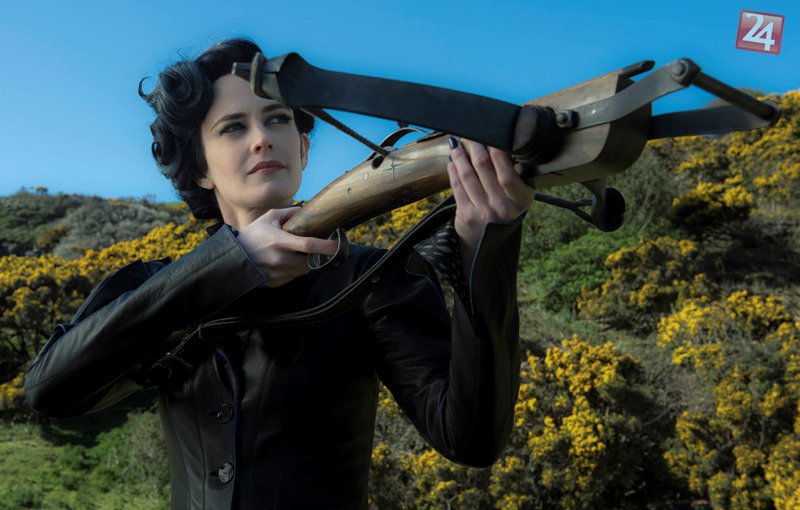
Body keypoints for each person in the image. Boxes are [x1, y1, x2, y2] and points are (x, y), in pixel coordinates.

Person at [24, 38, 535, 509]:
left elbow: (470, 439)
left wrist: (485, 248)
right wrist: (232, 264)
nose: (262, 139)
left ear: (304, 149)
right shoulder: (156, 284)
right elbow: (49, 389)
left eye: (277, 119)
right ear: (200, 167)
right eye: (233, 127)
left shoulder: (373, 274)